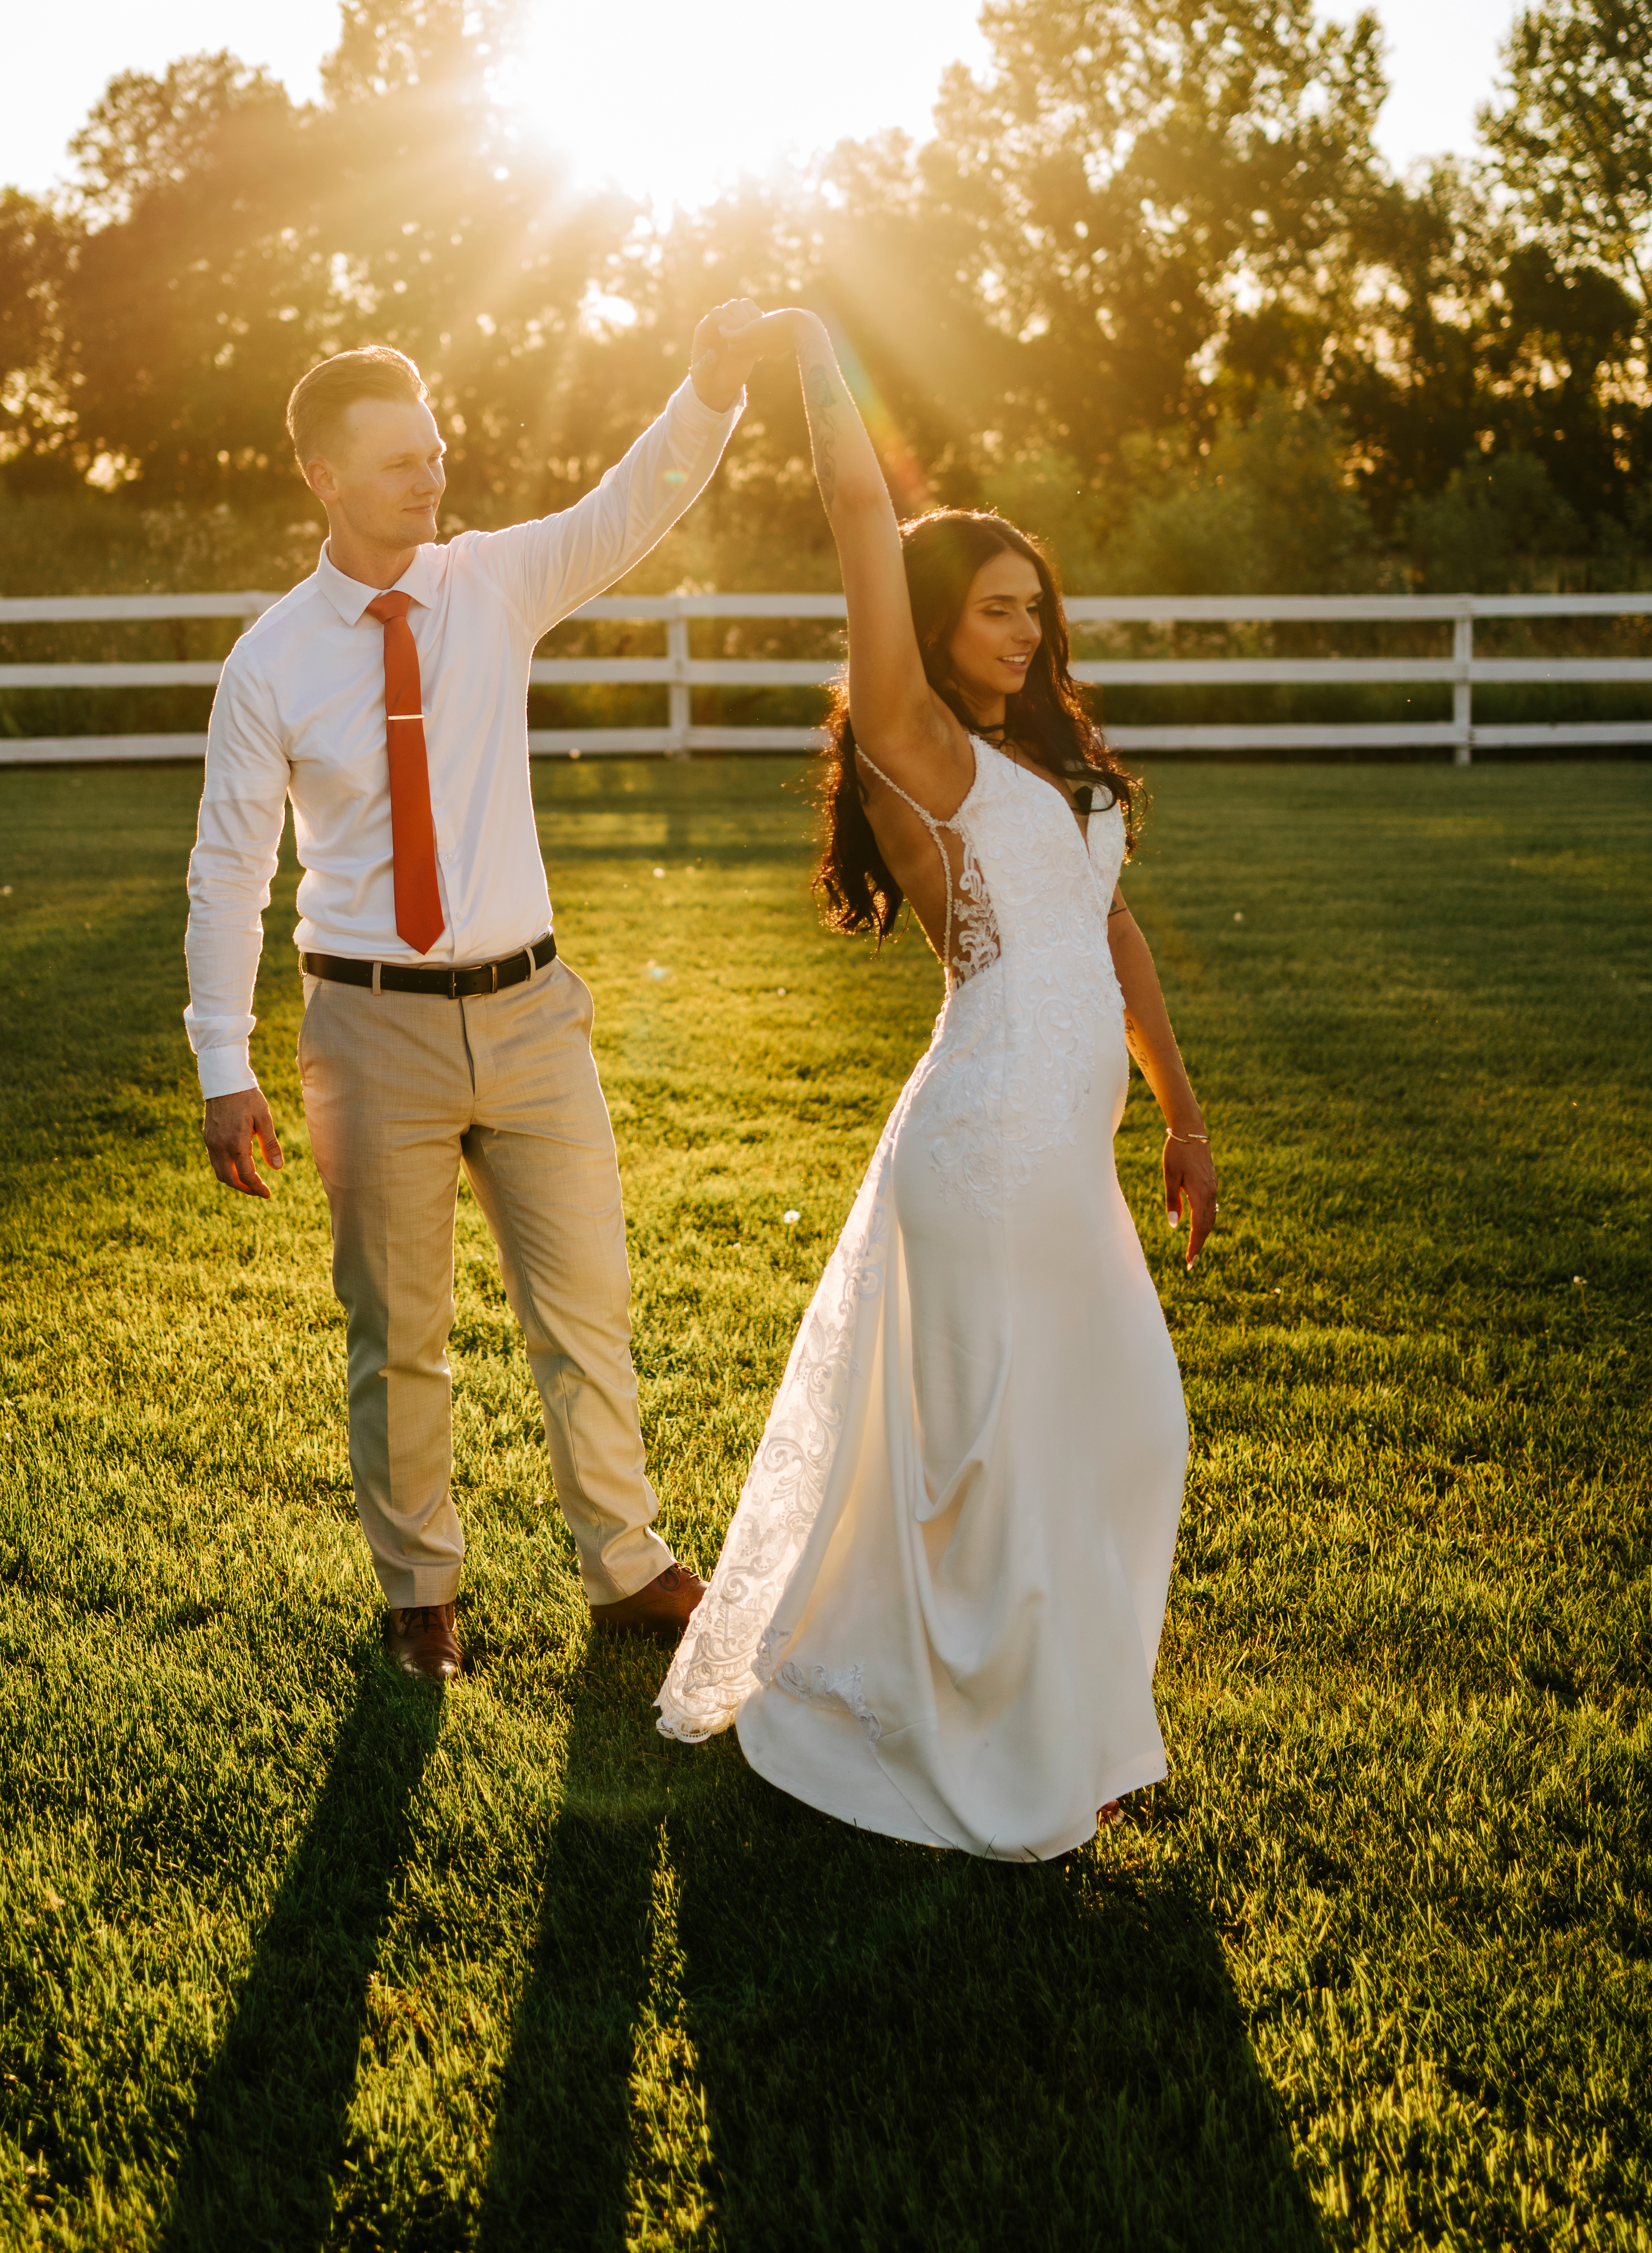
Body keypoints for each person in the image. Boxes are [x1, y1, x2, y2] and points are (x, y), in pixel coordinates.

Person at [657, 307, 1216, 1858]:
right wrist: (821, 347)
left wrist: (1181, 1113)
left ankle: (1055, 1718)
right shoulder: (919, 748)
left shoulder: (1050, 765)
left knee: (1124, 1432)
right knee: (990, 1467)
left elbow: (1117, 938)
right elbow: (854, 511)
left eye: (1036, 608)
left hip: (1069, 1162)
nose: (1026, 633)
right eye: (993, 610)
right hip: (981, 1152)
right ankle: (983, 1741)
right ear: (930, 621)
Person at [186, 305, 773, 1682]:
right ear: (324, 478)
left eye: (435, 451)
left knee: (587, 1305)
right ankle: (422, 1595)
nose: (429, 478)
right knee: (401, 1334)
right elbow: (231, 872)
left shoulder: (495, 582)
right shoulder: (268, 661)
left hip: (531, 1012)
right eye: (397, 460)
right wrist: (225, 1059)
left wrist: (708, 388)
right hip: (368, 1025)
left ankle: (626, 1563)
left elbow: (633, 506)